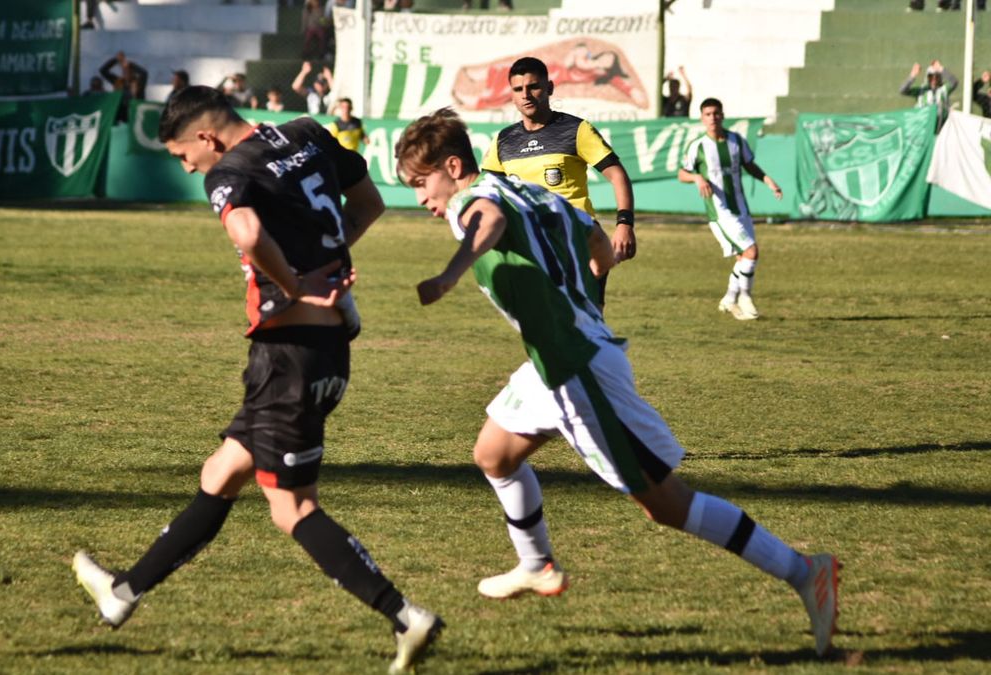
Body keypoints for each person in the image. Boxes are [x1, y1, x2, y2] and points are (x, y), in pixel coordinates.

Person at [395, 106, 840, 658]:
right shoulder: (533, 192)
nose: (420, 198)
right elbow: (599, 246)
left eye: (420, 183)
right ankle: (537, 566)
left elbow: (487, 221)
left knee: (665, 504)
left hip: (576, 368)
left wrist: (450, 272)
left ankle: (805, 572)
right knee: (494, 453)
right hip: (556, 359)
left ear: (452, 165)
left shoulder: (471, 202)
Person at [71, 85, 443, 674]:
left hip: (288, 352)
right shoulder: (306, 132)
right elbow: (369, 204)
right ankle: (123, 594)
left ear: (206, 137)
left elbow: (246, 233)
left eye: (181, 155)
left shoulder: (229, 171)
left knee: (291, 508)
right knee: (221, 472)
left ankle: (405, 616)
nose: (186, 165)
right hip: (326, 344)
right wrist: (326, 266)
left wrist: (296, 286)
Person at [480, 56, 635, 309]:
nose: (526, 95)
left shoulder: (576, 130)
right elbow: (486, 191)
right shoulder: (504, 140)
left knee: (586, 321)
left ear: (549, 88)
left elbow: (617, 175)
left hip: (580, 237)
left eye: (534, 86)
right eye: (518, 89)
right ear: (512, 95)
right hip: (532, 244)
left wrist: (625, 224)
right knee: (545, 325)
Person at [677, 98, 781, 321]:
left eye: (716, 113)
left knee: (743, 258)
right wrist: (696, 177)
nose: (712, 118)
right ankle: (745, 296)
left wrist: (768, 180)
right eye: (707, 114)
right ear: (701, 118)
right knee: (751, 251)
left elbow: (749, 165)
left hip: (741, 208)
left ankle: (729, 299)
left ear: (722, 115)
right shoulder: (698, 146)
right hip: (719, 211)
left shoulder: (736, 141)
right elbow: (682, 173)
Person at [900, 60, 958, 132]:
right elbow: (903, 90)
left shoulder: (944, 89)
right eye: (931, 77)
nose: (934, 80)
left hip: (941, 128)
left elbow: (954, 82)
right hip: (924, 129)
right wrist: (913, 75)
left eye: (936, 77)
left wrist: (941, 69)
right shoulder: (921, 90)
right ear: (927, 78)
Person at [100, 51, 149, 124]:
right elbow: (103, 71)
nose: (126, 72)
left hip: (134, 115)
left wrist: (131, 64)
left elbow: (144, 73)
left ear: (133, 72)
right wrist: (116, 60)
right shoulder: (119, 82)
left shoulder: (138, 84)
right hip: (120, 114)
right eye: (124, 70)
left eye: (128, 70)